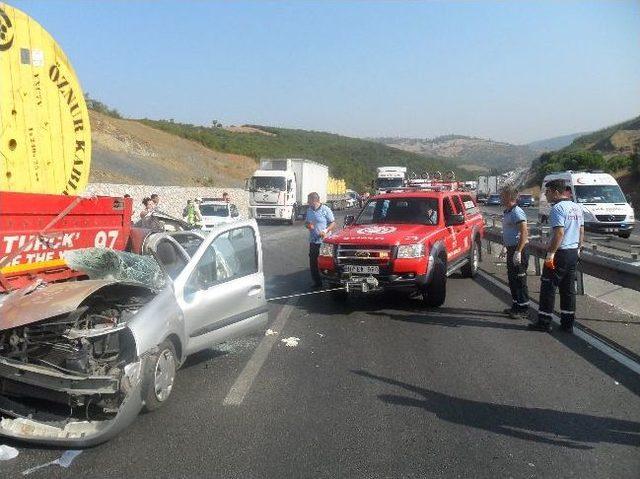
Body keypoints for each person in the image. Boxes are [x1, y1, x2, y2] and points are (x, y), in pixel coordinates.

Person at [529, 179, 584, 332]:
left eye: (547, 192)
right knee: (568, 290)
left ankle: (544, 322)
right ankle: (567, 324)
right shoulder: (575, 207)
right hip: (573, 253)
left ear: (555, 192)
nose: (545, 195)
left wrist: (551, 254)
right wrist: (579, 247)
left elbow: (559, 233)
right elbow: (581, 230)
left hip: (560, 254)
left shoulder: (557, 209)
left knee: (548, 287)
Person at [500, 186, 530, 319]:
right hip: (511, 248)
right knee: (512, 279)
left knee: (519, 279)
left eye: (502, 195)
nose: (500, 198)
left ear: (508, 196)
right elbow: (509, 232)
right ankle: (516, 305)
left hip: (519, 249)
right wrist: (505, 246)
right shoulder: (507, 211)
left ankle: (523, 308)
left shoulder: (517, 212)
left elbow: (524, 232)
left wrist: (518, 251)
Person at [305, 192, 335, 289]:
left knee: (326, 262)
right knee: (313, 263)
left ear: (314, 200)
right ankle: (317, 283)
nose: (307, 202)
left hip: (325, 242)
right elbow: (307, 223)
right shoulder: (309, 210)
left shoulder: (325, 209)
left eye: (308, 200)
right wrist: (308, 225)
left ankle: (331, 281)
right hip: (313, 241)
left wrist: (325, 230)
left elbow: (333, 223)